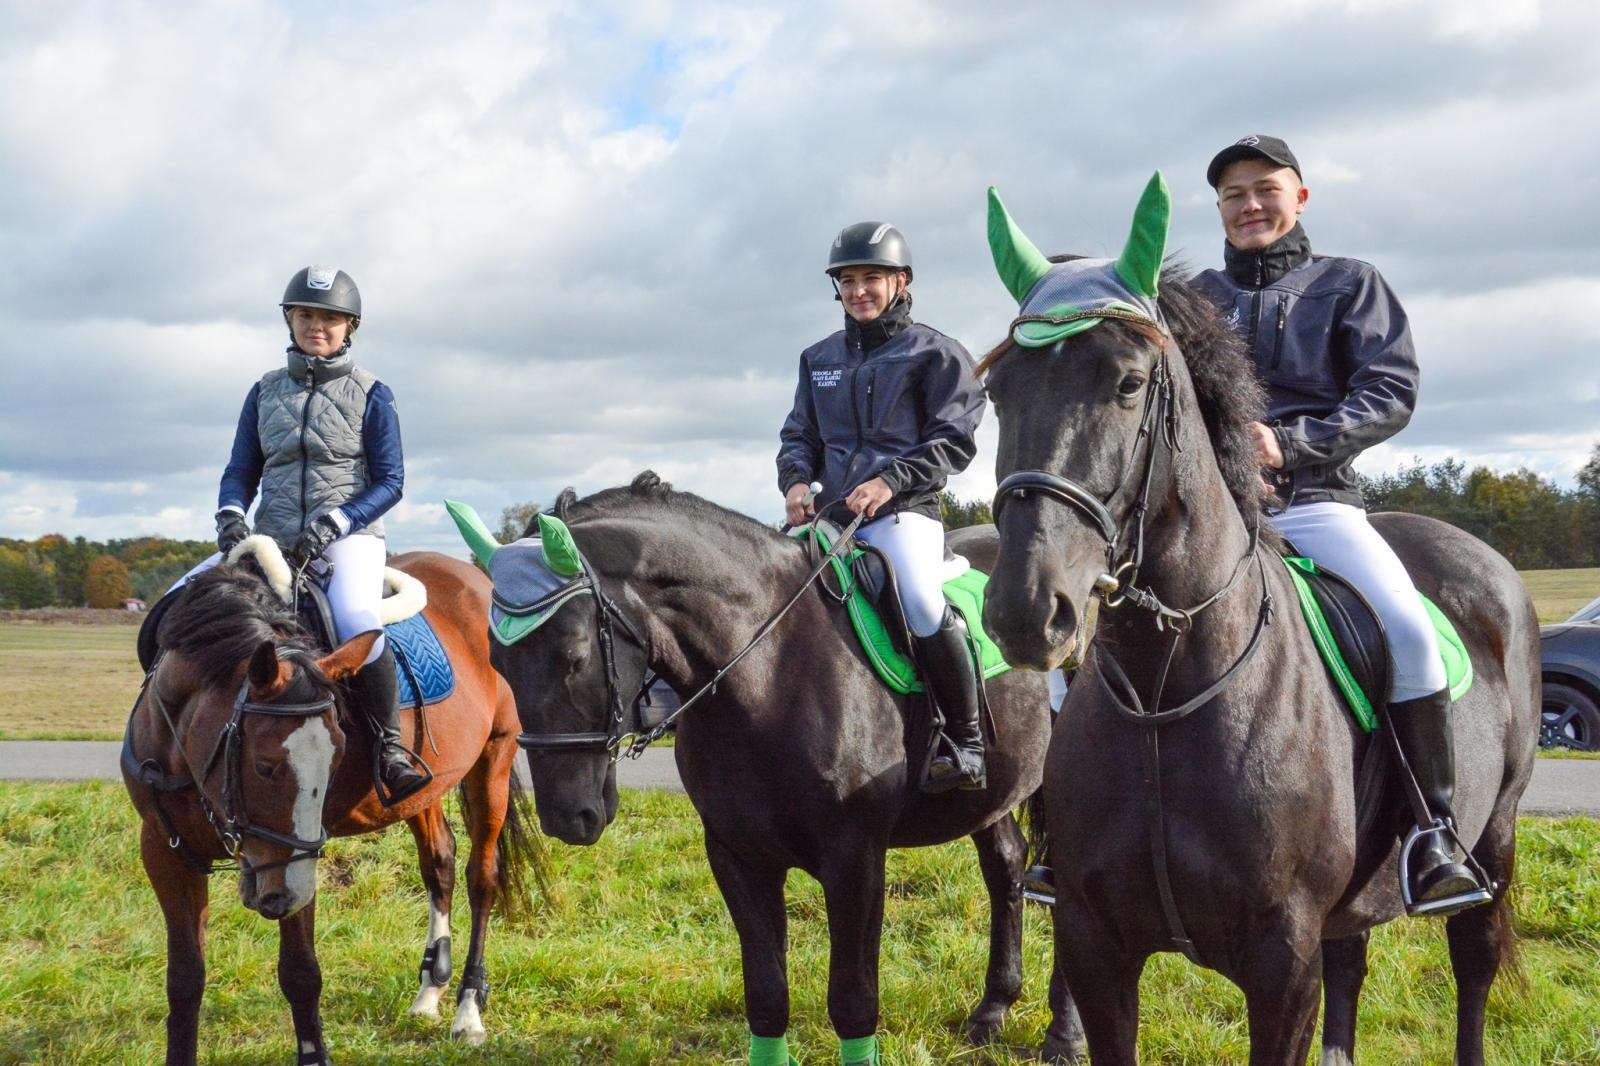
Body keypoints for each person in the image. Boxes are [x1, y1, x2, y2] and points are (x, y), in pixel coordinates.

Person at [1190, 135, 1489, 914]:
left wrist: (1289, 444)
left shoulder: (1351, 284)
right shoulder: (1192, 298)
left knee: (1407, 629)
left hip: (1315, 502)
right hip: (1210, 513)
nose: (1250, 205)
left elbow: (1389, 389)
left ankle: (1435, 834)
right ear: (1218, 209)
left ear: (1300, 197)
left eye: (1265, 189)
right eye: (1234, 195)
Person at [183, 266, 425, 804]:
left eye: (330, 318)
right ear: (290, 320)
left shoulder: (374, 394)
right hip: (271, 539)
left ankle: (389, 751)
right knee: (184, 599)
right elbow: (241, 469)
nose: (318, 326)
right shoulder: (264, 391)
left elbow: (391, 481)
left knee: (357, 619)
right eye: (307, 315)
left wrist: (336, 521)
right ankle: (174, 734)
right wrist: (229, 512)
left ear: (350, 327)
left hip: (349, 536)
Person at [777, 222, 989, 792]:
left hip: (905, 514)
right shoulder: (817, 357)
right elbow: (800, 434)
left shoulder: (937, 353)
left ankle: (966, 741)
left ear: (901, 282)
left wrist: (889, 482)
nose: (859, 290)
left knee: (920, 602)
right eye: (848, 280)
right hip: (832, 518)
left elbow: (954, 440)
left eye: (872, 278)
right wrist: (796, 482)